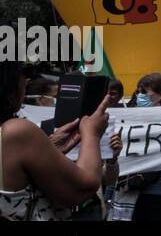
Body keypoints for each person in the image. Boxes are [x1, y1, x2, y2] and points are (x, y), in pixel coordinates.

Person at [0, 59, 110, 221]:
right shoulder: (17, 131)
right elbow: (82, 189)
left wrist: (47, 150)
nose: (27, 80)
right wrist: (92, 134)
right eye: (24, 73)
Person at [122, 73, 161, 221]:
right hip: (135, 190)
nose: (140, 96)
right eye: (138, 92)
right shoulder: (133, 118)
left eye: (144, 92)